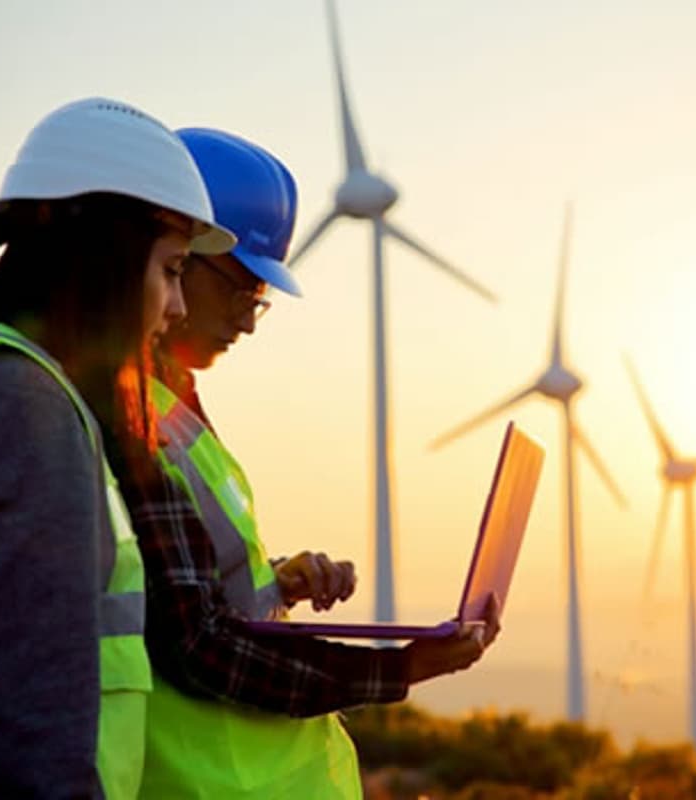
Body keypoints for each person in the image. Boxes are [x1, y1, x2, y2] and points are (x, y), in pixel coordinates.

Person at [119, 129, 500, 798]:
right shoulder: (121, 417)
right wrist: (402, 669)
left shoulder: (175, 408)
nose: (250, 318)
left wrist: (273, 583)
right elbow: (193, 644)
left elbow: (182, 581)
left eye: (260, 298)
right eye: (241, 287)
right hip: (201, 782)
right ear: (171, 254)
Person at [0, 98, 235, 799]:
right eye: (173, 269)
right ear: (108, 256)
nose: (178, 307)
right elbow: (35, 715)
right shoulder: (21, 406)